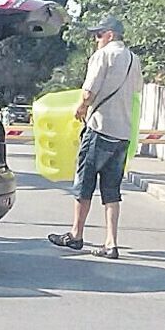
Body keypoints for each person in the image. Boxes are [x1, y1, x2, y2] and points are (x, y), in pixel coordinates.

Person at [48, 15, 143, 260]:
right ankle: (111, 243)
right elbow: (136, 92)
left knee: (84, 182)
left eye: (98, 34)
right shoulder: (134, 60)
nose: (95, 39)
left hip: (99, 128)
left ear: (110, 35)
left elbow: (89, 90)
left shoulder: (102, 56)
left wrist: (80, 107)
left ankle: (76, 234)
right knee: (112, 189)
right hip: (122, 133)